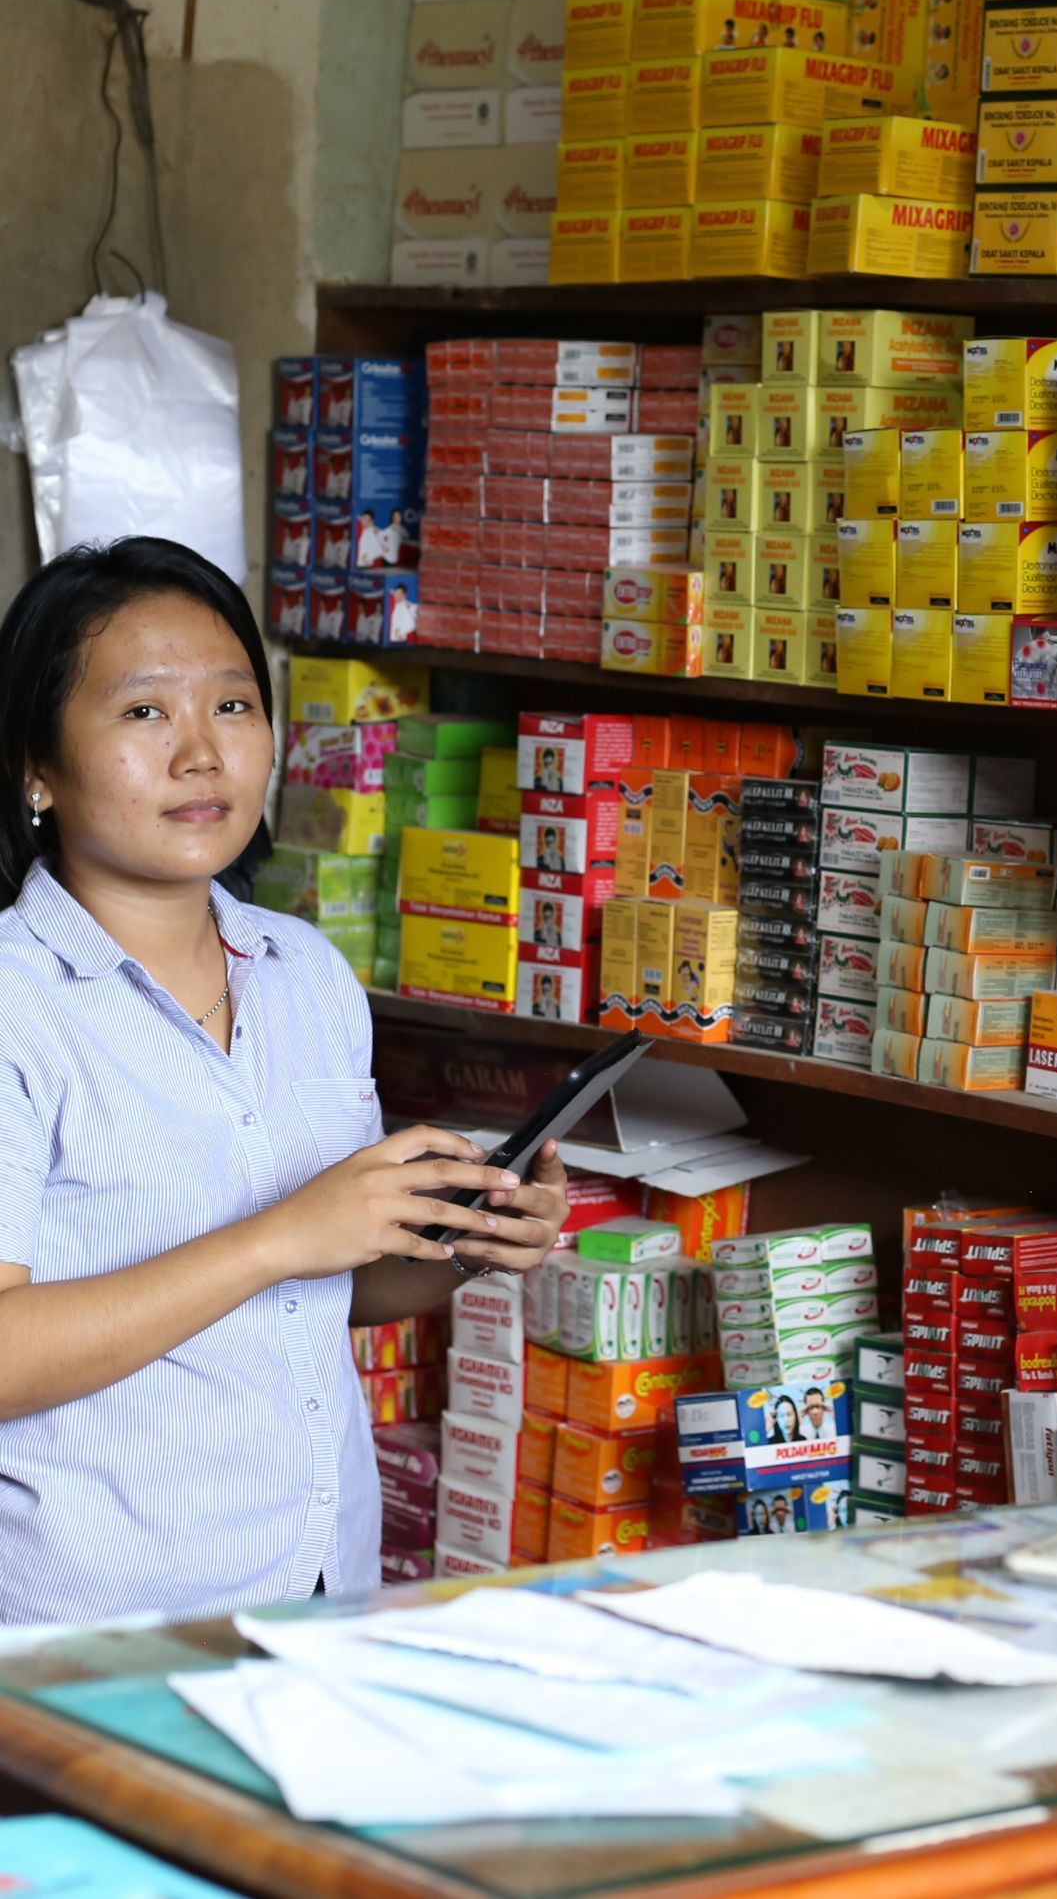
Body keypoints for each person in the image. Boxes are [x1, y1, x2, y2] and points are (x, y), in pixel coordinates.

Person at [0, 538, 568, 1627]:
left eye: (233, 706)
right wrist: (280, 1233)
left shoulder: (305, 970)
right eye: (143, 714)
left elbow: (322, 1291)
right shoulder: (18, 1006)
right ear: (34, 765)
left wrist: (461, 1247)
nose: (203, 755)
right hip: (93, 1622)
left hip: (317, 1583)